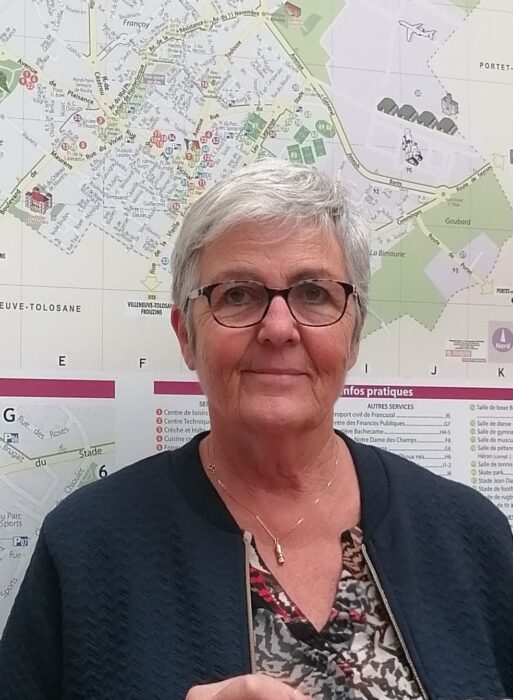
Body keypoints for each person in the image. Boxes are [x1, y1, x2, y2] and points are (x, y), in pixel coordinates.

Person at [1, 160, 512, 700]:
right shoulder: (87, 547)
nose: (278, 328)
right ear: (186, 335)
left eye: (314, 293)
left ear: (354, 333)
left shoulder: (468, 536)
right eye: (238, 295)